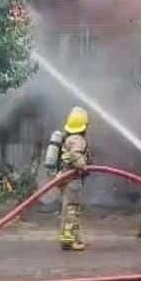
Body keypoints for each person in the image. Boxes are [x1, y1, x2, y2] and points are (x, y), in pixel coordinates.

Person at [55, 106, 92, 251]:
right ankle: (69, 240)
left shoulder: (69, 138)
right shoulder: (78, 139)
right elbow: (76, 155)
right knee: (71, 209)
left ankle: (74, 238)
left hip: (66, 178)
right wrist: (84, 166)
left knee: (71, 208)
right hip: (73, 180)